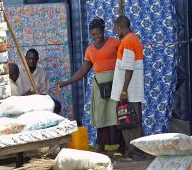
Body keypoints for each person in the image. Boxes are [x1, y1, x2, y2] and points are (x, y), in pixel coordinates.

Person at [56, 17, 124, 154]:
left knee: (116, 115)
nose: (96, 36)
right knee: (101, 115)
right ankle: (102, 147)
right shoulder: (89, 50)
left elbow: (125, 61)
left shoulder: (115, 43)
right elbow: (83, 71)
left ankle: (121, 147)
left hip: (116, 83)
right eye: (93, 34)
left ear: (103, 31)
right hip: (99, 86)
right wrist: (65, 83)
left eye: (98, 33)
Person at [111, 15, 145, 160]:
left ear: (120, 27)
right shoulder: (131, 39)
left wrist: (123, 91)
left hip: (129, 91)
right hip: (131, 90)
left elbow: (128, 68)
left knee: (130, 122)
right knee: (132, 121)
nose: (115, 31)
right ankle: (135, 152)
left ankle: (135, 153)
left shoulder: (129, 41)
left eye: (115, 28)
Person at [16, 48, 61, 114]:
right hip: (21, 101)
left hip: (37, 102)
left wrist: (36, 97)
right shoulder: (17, 70)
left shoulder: (42, 73)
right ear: (25, 59)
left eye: (34, 59)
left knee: (56, 105)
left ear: (37, 59)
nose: (31, 61)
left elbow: (45, 93)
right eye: (29, 59)